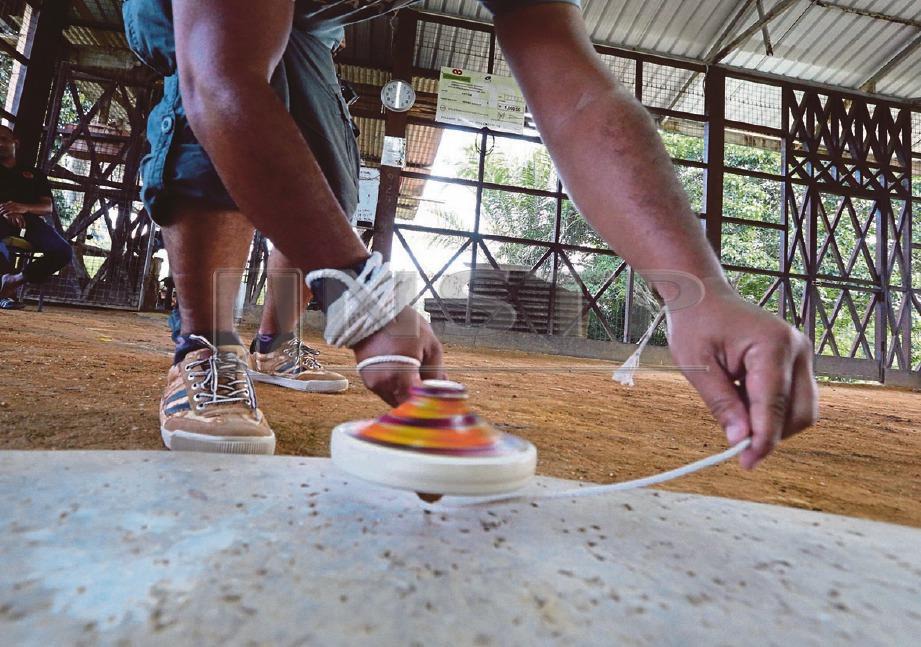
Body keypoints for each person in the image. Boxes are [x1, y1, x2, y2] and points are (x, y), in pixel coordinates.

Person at [123, 0, 817, 467]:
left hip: (311, 20)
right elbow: (221, 81)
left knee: (325, 180)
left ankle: (277, 344)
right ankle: (205, 346)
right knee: (211, 107)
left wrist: (695, 288)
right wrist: (364, 298)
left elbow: (580, 101)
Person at [0, 125, 73, 310]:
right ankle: (5, 296)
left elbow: (47, 207)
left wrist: (23, 208)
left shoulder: (34, 174)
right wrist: (9, 212)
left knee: (63, 251)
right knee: (2, 247)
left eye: (4, 139)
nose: (0, 144)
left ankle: (14, 281)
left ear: (15, 142)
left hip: (29, 221)